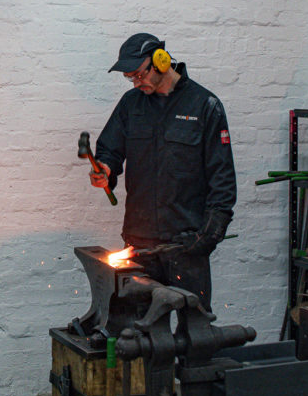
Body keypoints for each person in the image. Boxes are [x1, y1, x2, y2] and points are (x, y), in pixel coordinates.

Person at [89, 32, 237, 312]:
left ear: (161, 60)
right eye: (129, 77)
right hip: (139, 244)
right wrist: (105, 169)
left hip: (187, 245)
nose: (136, 82)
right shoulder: (131, 105)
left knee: (193, 335)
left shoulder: (205, 106)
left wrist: (206, 238)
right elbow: (110, 148)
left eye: (139, 74)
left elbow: (223, 181)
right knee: (139, 338)